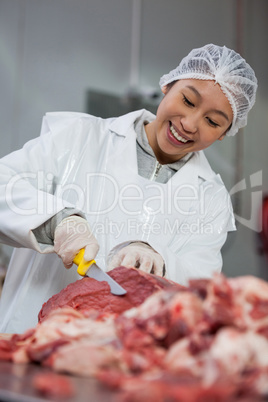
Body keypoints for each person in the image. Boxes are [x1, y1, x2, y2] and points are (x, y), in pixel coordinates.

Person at [0, 44, 257, 333]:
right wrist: (56, 220)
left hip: (122, 357)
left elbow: (199, 286)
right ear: (167, 85)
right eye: (187, 100)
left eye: (212, 121)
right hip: (25, 340)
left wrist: (158, 259)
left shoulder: (212, 200)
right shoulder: (78, 137)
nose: (189, 124)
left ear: (224, 134)